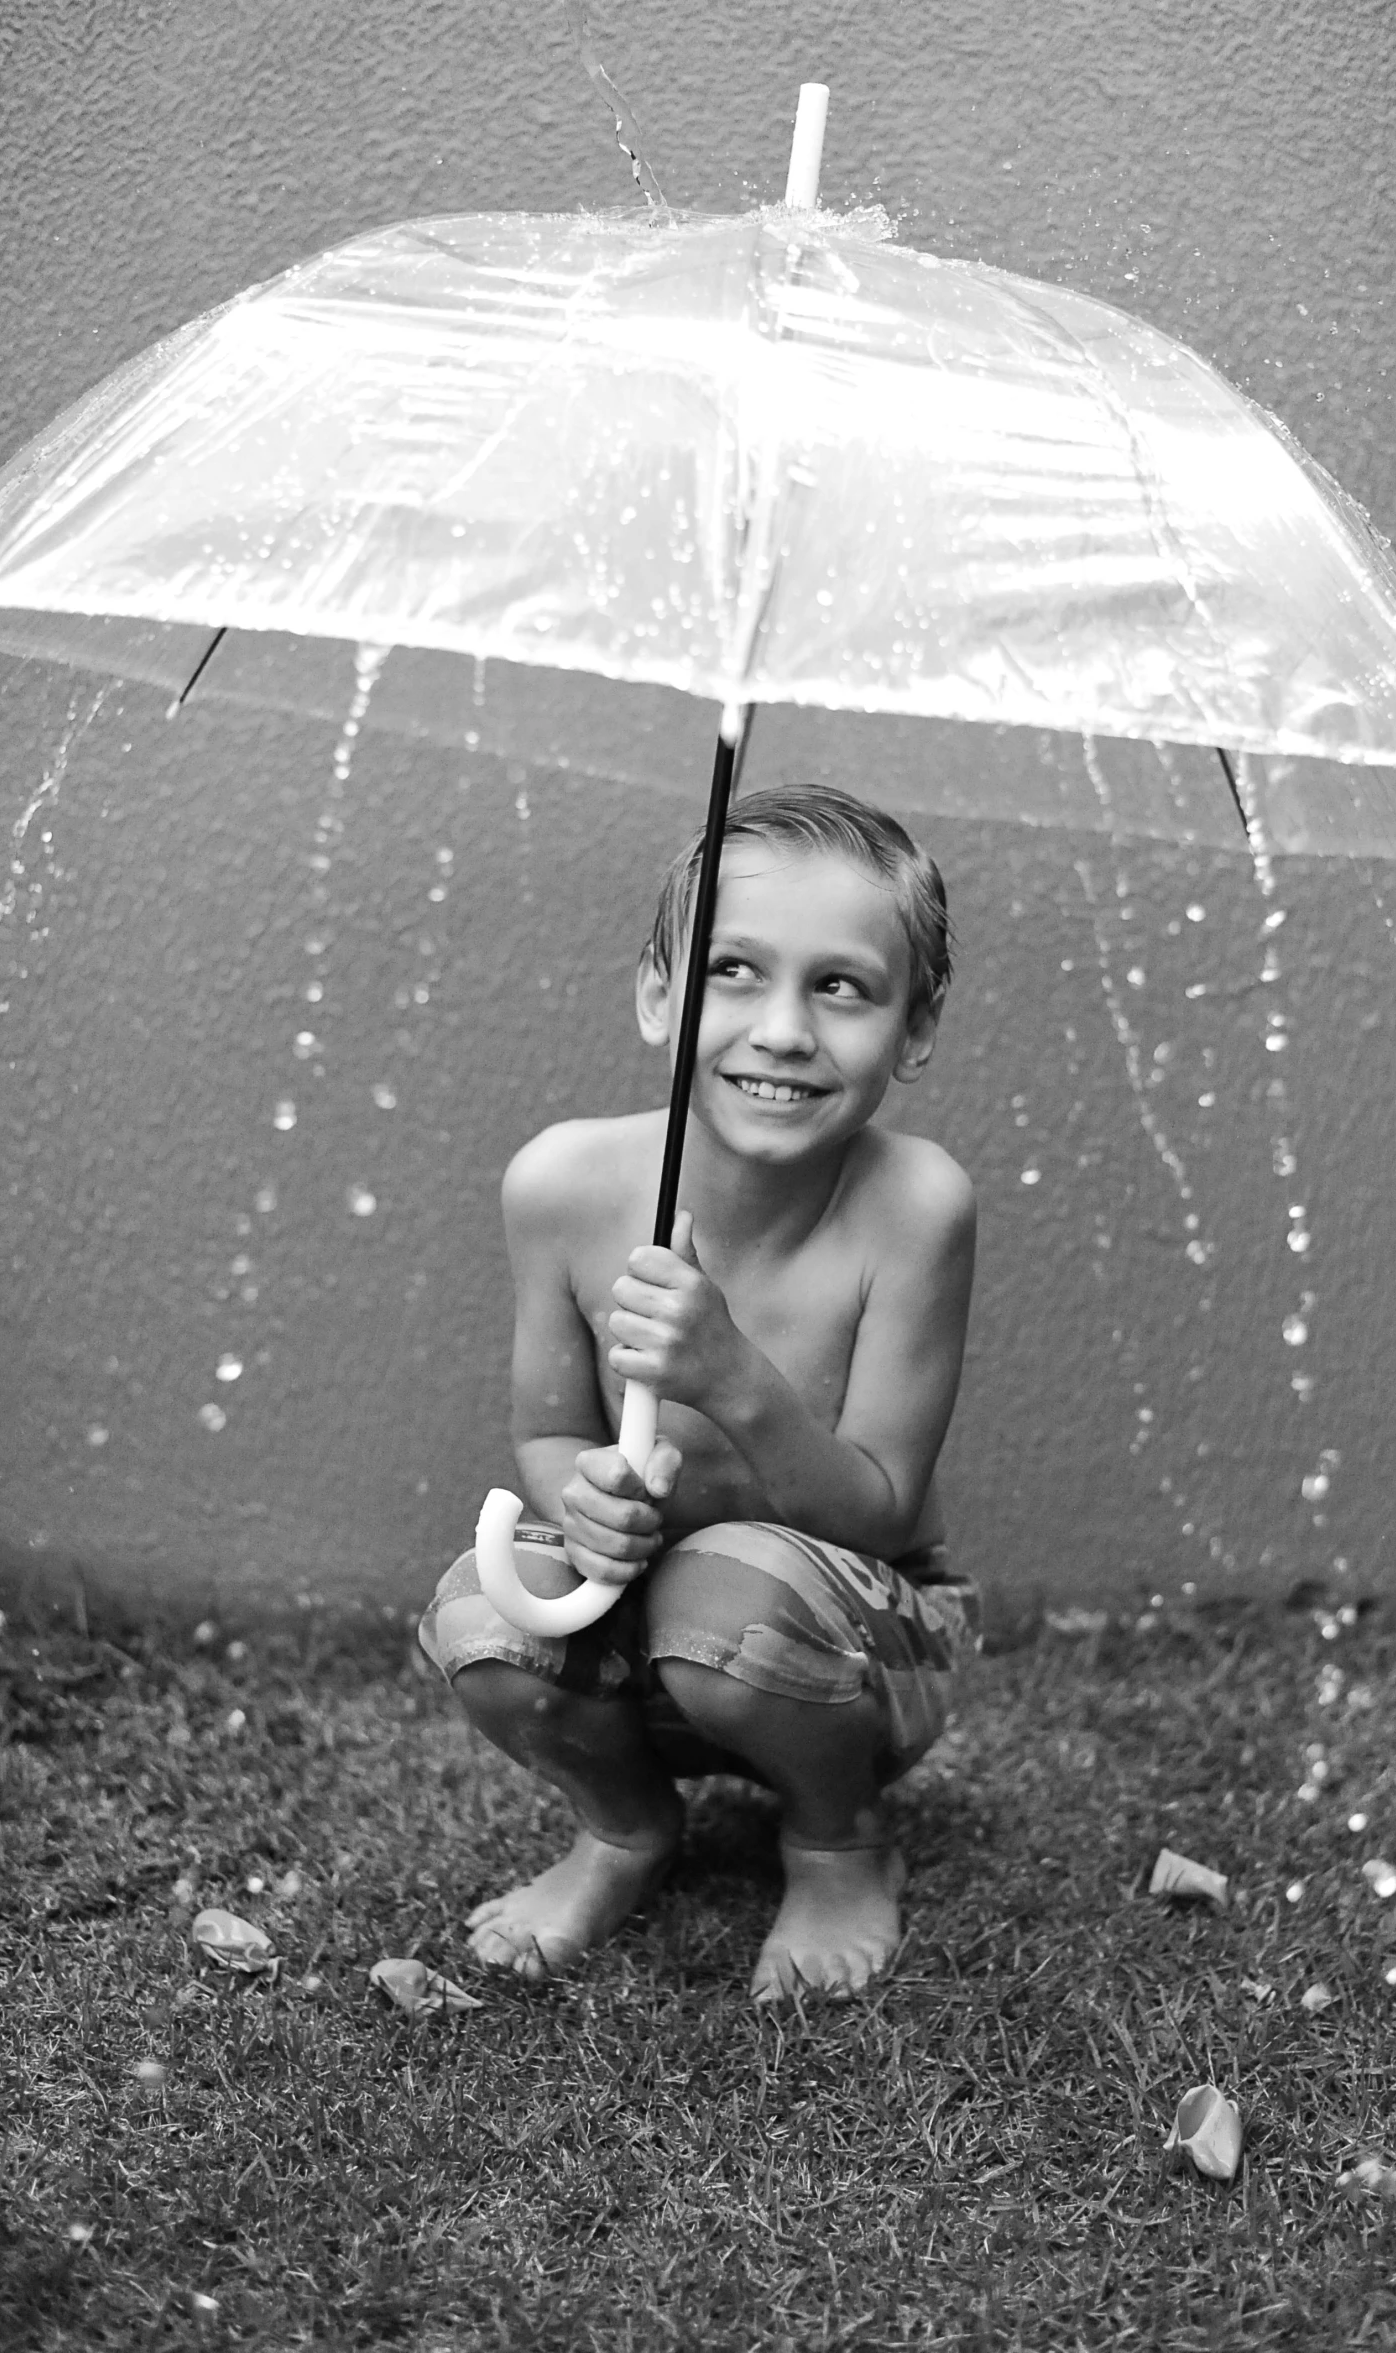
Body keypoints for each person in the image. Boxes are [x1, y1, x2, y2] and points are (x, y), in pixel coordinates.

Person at [419, 782, 978, 2001]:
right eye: (734, 970)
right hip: (648, 1617)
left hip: (858, 1645)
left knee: (726, 1589)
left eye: (841, 986)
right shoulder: (561, 1185)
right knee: (483, 1618)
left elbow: (881, 1509)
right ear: (656, 993)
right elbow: (550, 1431)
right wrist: (591, 1497)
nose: (782, 1029)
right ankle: (625, 1825)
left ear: (916, 1025)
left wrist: (732, 1375)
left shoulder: (915, 1207)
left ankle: (838, 1837)